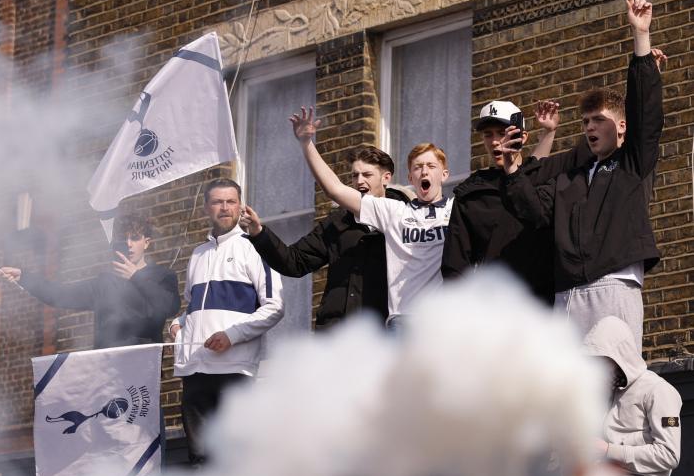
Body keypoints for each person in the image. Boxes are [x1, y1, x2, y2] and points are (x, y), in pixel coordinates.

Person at [500, 0, 664, 348]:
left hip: (614, 283)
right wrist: (512, 166)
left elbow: (646, 113)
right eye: (586, 121)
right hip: (568, 292)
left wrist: (641, 36)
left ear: (621, 126)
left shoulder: (631, 163)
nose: (590, 127)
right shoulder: (570, 175)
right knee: (569, 381)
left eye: (599, 119)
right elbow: (533, 208)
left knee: (617, 374)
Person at [501, 315, 682, 476]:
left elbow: (669, 455)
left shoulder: (657, 390)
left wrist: (608, 450)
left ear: (619, 356)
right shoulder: (602, 395)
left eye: (600, 361)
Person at [288, 107, 452, 331]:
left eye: (431, 166)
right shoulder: (394, 211)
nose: (424, 172)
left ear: (444, 175)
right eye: (418, 167)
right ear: (410, 177)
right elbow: (335, 189)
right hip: (401, 322)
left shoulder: (458, 210)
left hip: (441, 320)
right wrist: (306, 143)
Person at [170, 178, 284, 466]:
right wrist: (177, 324)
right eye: (217, 202)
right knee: (200, 459)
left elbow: (275, 306)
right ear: (206, 208)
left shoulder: (255, 248)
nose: (224, 208)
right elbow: (193, 307)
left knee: (236, 457)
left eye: (231, 201)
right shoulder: (198, 254)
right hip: (195, 368)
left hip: (234, 368)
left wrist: (231, 335)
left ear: (240, 206)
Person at [240, 147, 409, 329]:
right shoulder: (338, 222)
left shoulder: (407, 220)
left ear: (386, 178)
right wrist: (259, 232)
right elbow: (294, 262)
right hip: (336, 334)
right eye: (355, 175)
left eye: (367, 175)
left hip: (383, 332)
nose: (359, 181)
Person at [442, 99, 581, 305]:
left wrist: (549, 132)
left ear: (522, 137)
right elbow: (456, 262)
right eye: (488, 134)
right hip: (493, 305)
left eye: (501, 132)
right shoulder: (470, 192)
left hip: (544, 304)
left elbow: (535, 168)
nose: (494, 141)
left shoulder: (543, 176)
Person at [0, 213, 180, 349]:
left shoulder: (163, 276)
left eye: (134, 238)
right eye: (124, 239)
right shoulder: (105, 282)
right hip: (106, 366)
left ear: (146, 242)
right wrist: (25, 277)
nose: (129, 244)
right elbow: (60, 295)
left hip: (144, 365)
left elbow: (169, 307)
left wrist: (135, 276)